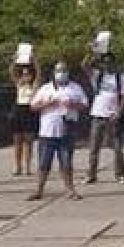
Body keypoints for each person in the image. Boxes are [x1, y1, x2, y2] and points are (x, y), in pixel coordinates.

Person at [28, 62, 87, 200]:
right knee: (43, 163)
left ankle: (70, 190)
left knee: (66, 163)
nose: (61, 72)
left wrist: (72, 104)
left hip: (66, 131)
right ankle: (39, 190)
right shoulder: (46, 88)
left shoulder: (75, 88)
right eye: (59, 70)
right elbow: (33, 106)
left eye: (64, 70)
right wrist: (47, 103)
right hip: (47, 132)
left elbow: (84, 105)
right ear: (54, 72)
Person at [86, 53, 124, 184]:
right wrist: (91, 52)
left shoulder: (119, 77)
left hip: (112, 116)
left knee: (117, 147)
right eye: (104, 62)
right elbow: (84, 65)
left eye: (110, 62)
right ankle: (91, 175)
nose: (107, 65)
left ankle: (120, 174)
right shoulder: (97, 76)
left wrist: (119, 112)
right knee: (94, 147)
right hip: (97, 115)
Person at [9, 56, 40, 176]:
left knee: (29, 141)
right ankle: (17, 166)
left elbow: (39, 73)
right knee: (17, 141)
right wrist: (15, 59)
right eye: (23, 74)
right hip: (18, 109)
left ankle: (27, 166)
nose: (25, 76)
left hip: (29, 110)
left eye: (28, 74)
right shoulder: (19, 83)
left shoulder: (34, 85)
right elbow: (11, 71)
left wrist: (34, 61)